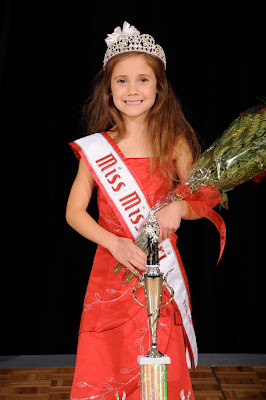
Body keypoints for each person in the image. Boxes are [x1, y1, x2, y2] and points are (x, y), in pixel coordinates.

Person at [66, 21, 203, 400]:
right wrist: (115, 243)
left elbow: (202, 198)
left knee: (158, 369)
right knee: (107, 366)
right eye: (122, 81)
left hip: (159, 273)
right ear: (109, 89)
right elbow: (74, 212)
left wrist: (179, 207)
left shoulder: (175, 144)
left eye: (143, 80)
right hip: (111, 272)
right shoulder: (97, 148)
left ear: (159, 87)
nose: (132, 90)